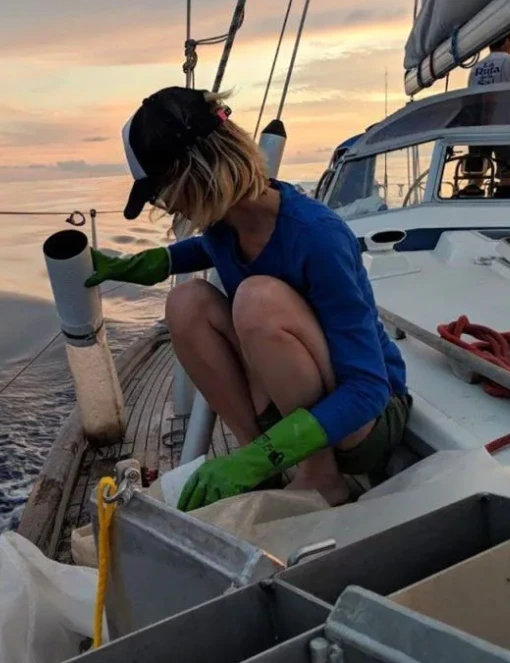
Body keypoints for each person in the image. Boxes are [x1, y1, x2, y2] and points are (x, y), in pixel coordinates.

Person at [85, 86, 410, 512]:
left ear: (192, 174)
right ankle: (264, 462)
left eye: (161, 193)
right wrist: (143, 264)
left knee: (256, 299)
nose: (164, 207)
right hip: (295, 402)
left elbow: (368, 389)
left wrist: (250, 463)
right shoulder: (225, 226)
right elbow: (214, 250)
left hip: (364, 421)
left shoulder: (318, 236)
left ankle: (320, 476)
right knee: (185, 303)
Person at [467, 31, 510, 186]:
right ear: (507, 42)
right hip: (504, 127)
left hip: (477, 128)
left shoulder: (476, 68)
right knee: (507, 175)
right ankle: (505, 200)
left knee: (476, 174)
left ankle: (471, 200)